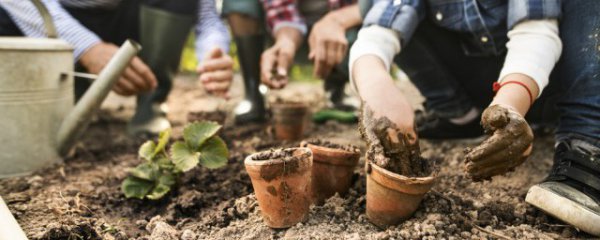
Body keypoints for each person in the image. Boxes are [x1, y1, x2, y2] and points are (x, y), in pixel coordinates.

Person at [350, 0, 599, 236]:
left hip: (552, 81)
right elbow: (379, 29)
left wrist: (510, 104)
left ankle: (585, 142)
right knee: (371, 5)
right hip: (484, 85)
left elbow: (536, 32)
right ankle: (460, 115)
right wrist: (375, 85)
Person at [0, 0, 233, 136]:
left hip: (130, 18)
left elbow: (207, 17)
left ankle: (150, 104)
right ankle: (61, 99)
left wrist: (214, 52)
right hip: (57, 18)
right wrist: (86, 47)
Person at [221, 0, 362, 123]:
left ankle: (336, 87)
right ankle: (253, 93)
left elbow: (379, 5)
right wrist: (286, 41)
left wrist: (336, 21)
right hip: (284, 32)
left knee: (371, 24)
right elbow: (282, 10)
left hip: (346, 33)